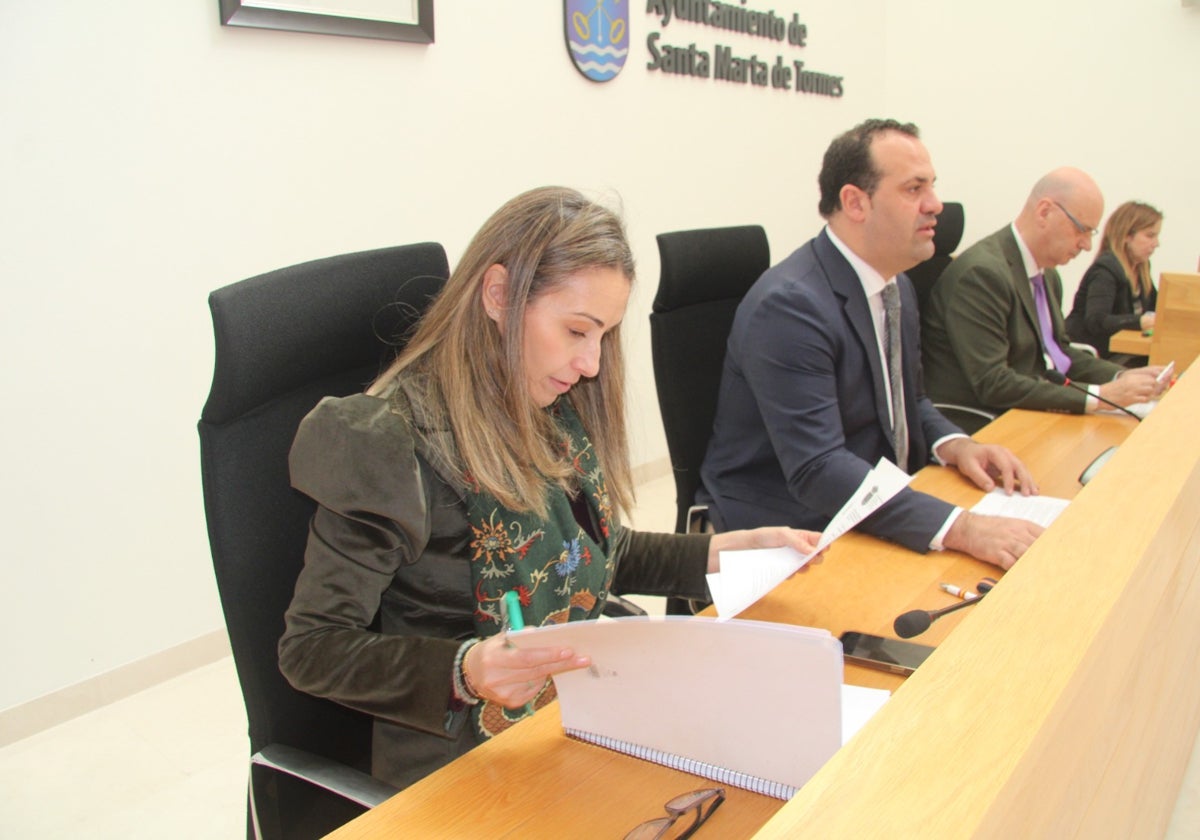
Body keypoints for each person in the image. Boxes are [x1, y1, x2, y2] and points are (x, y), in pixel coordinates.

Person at [277, 186, 820, 790]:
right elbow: (312, 647)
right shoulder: (387, 442)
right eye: (576, 331)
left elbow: (582, 556)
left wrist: (718, 554)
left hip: (570, 716)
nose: (590, 363)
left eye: (603, 337)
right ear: (500, 295)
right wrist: (467, 670)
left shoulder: (545, 397)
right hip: (459, 764)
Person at [697, 119, 1043, 572]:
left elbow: (908, 400)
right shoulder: (791, 307)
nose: (936, 205)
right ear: (855, 203)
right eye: (914, 189)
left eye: (932, 187)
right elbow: (819, 468)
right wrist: (962, 528)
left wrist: (956, 445)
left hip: (866, 506)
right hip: (792, 532)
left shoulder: (894, 285)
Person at [921, 168, 1167, 433]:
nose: (1086, 245)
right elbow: (994, 383)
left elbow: (1060, 353)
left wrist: (1121, 377)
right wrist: (1100, 395)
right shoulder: (982, 274)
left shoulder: (1047, 275)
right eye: (1081, 229)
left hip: (1030, 410)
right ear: (1044, 211)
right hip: (984, 422)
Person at [1065, 201, 1162, 365]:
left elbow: (1158, 308)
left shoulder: (1141, 268)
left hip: (1122, 353)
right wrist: (1139, 322)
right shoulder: (1105, 270)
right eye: (1150, 235)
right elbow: (1096, 321)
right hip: (1093, 355)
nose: (1156, 243)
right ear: (1126, 236)